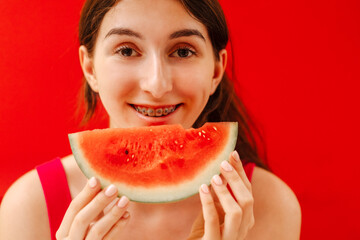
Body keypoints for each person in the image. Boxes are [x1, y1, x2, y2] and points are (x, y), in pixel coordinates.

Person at [0, 0, 301, 239]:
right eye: (127, 50)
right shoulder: (29, 207)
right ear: (90, 68)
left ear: (215, 72)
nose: (157, 85)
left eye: (183, 51)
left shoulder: (271, 206)